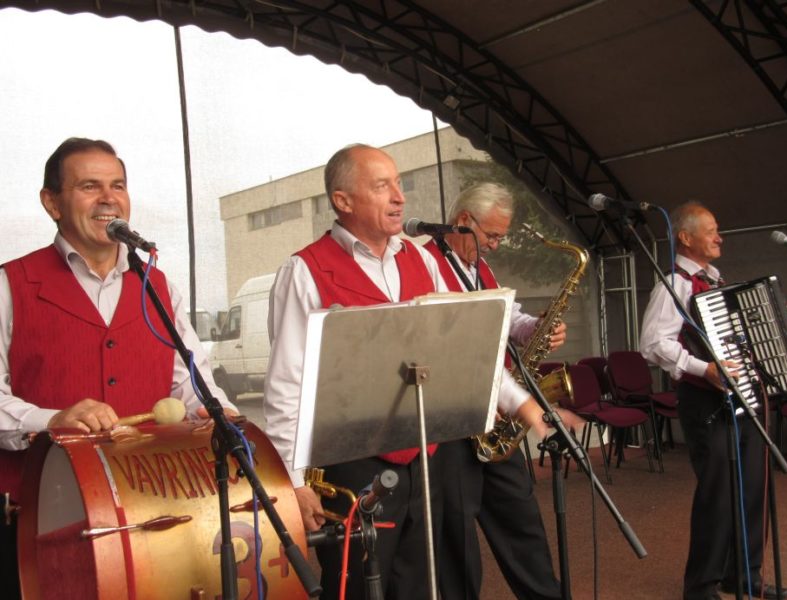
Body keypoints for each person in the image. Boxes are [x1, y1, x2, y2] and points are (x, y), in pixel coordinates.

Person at [263, 144, 576, 600]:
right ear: (342, 200)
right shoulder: (304, 270)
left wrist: (524, 405)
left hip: (423, 461)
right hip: (352, 465)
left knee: (418, 586)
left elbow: (462, 349)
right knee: (356, 586)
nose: (399, 197)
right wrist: (292, 483)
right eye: (382, 186)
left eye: (399, 184)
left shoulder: (422, 259)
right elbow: (286, 385)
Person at [0, 137, 237, 598]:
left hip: (148, 519)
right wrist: (50, 420)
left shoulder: (158, 286)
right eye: (89, 186)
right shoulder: (10, 285)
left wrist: (219, 414)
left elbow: (193, 383)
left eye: (118, 185)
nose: (109, 198)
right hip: (41, 525)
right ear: (52, 202)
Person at [423, 182, 576, 600]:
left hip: (494, 418)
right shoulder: (425, 261)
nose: (495, 245)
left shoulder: (479, 269)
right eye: (491, 235)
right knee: (458, 544)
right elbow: (450, 345)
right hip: (451, 425)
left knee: (522, 523)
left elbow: (508, 317)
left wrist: (536, 327)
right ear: (463, 221)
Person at [640, 201, 787, 600]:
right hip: (705, 403)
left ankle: (744, 575)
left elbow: (736, 335)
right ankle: (701, 585)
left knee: (753, 491)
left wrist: (781, 318)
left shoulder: (716, 281)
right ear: (685, 237)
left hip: (744, 399)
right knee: (719, 495)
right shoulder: (674, 284)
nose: (720, 238)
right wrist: (702, 369)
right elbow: (653, 344)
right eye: (711, 231)